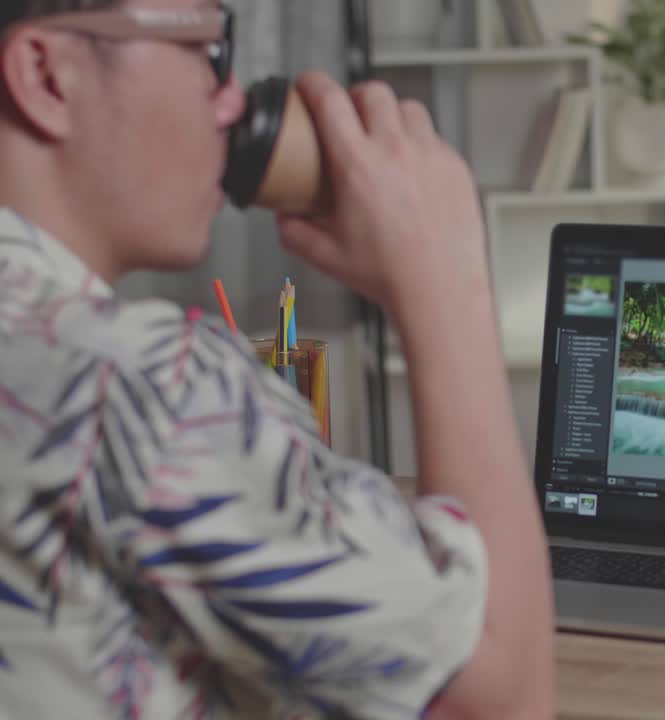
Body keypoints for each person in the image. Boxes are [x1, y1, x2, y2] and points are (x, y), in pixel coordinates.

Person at [0, 0, 554, 718]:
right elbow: (499, 701)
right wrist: (443, 280)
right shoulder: (140, 383)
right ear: (48, 75)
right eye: (209, 51)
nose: (231, 100)